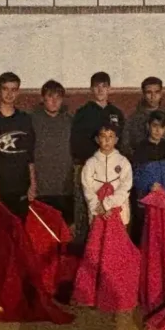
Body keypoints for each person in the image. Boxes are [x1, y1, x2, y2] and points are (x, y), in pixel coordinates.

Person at [71, 72, 125, 241]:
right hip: (88, 167)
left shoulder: (116, 113)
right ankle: (85, 246)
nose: (100, 90)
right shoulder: (83, 113)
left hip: (112, 169)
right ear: (91, 89)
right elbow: (76, 141)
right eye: (97, 86)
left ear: (110, 89)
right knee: (87, 208)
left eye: (104, 86)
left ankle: (112, 246)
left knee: (111, 207)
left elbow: (122, 141)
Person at [0, 72, 37, 220]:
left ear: (18, 92)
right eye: (5, 89)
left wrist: (32, 184)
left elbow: (30, 156)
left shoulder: (25, 120)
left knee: (21, 229)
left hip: (21, 187)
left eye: (13, 89)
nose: (9, 94)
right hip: (0, 189)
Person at [131, 111, 165, 241]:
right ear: (148, 126)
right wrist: (149, 186)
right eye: (155, 126)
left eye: (161, 127)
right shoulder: (140, 149)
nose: (158, 130)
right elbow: (135, 176)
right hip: (146, 197)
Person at [31, 79, 74, 222]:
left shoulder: (69, 121)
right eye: (50, 96)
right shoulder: (33, 120)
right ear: (43, 98)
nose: (54, 101)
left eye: (58, 97)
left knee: (64, 228)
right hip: (41, 187)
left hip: (65, 187)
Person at [82, 123, 133, 226]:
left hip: (118, 210)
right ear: (97, 139)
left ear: (116, 140)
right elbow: (87, 188)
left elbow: (126, 186)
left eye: (110, 136)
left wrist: (108, 204)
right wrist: (98, 206)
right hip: (98, 211)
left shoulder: (123, 162)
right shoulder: (90, 163)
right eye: (103, 136)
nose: (107, 140)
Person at [120, 76, 165, 156]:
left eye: (157, 92)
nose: (153, 96)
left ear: (161, 94)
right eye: (149, 92)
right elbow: (125, 146)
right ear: (143, 94)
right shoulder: (133, 120)